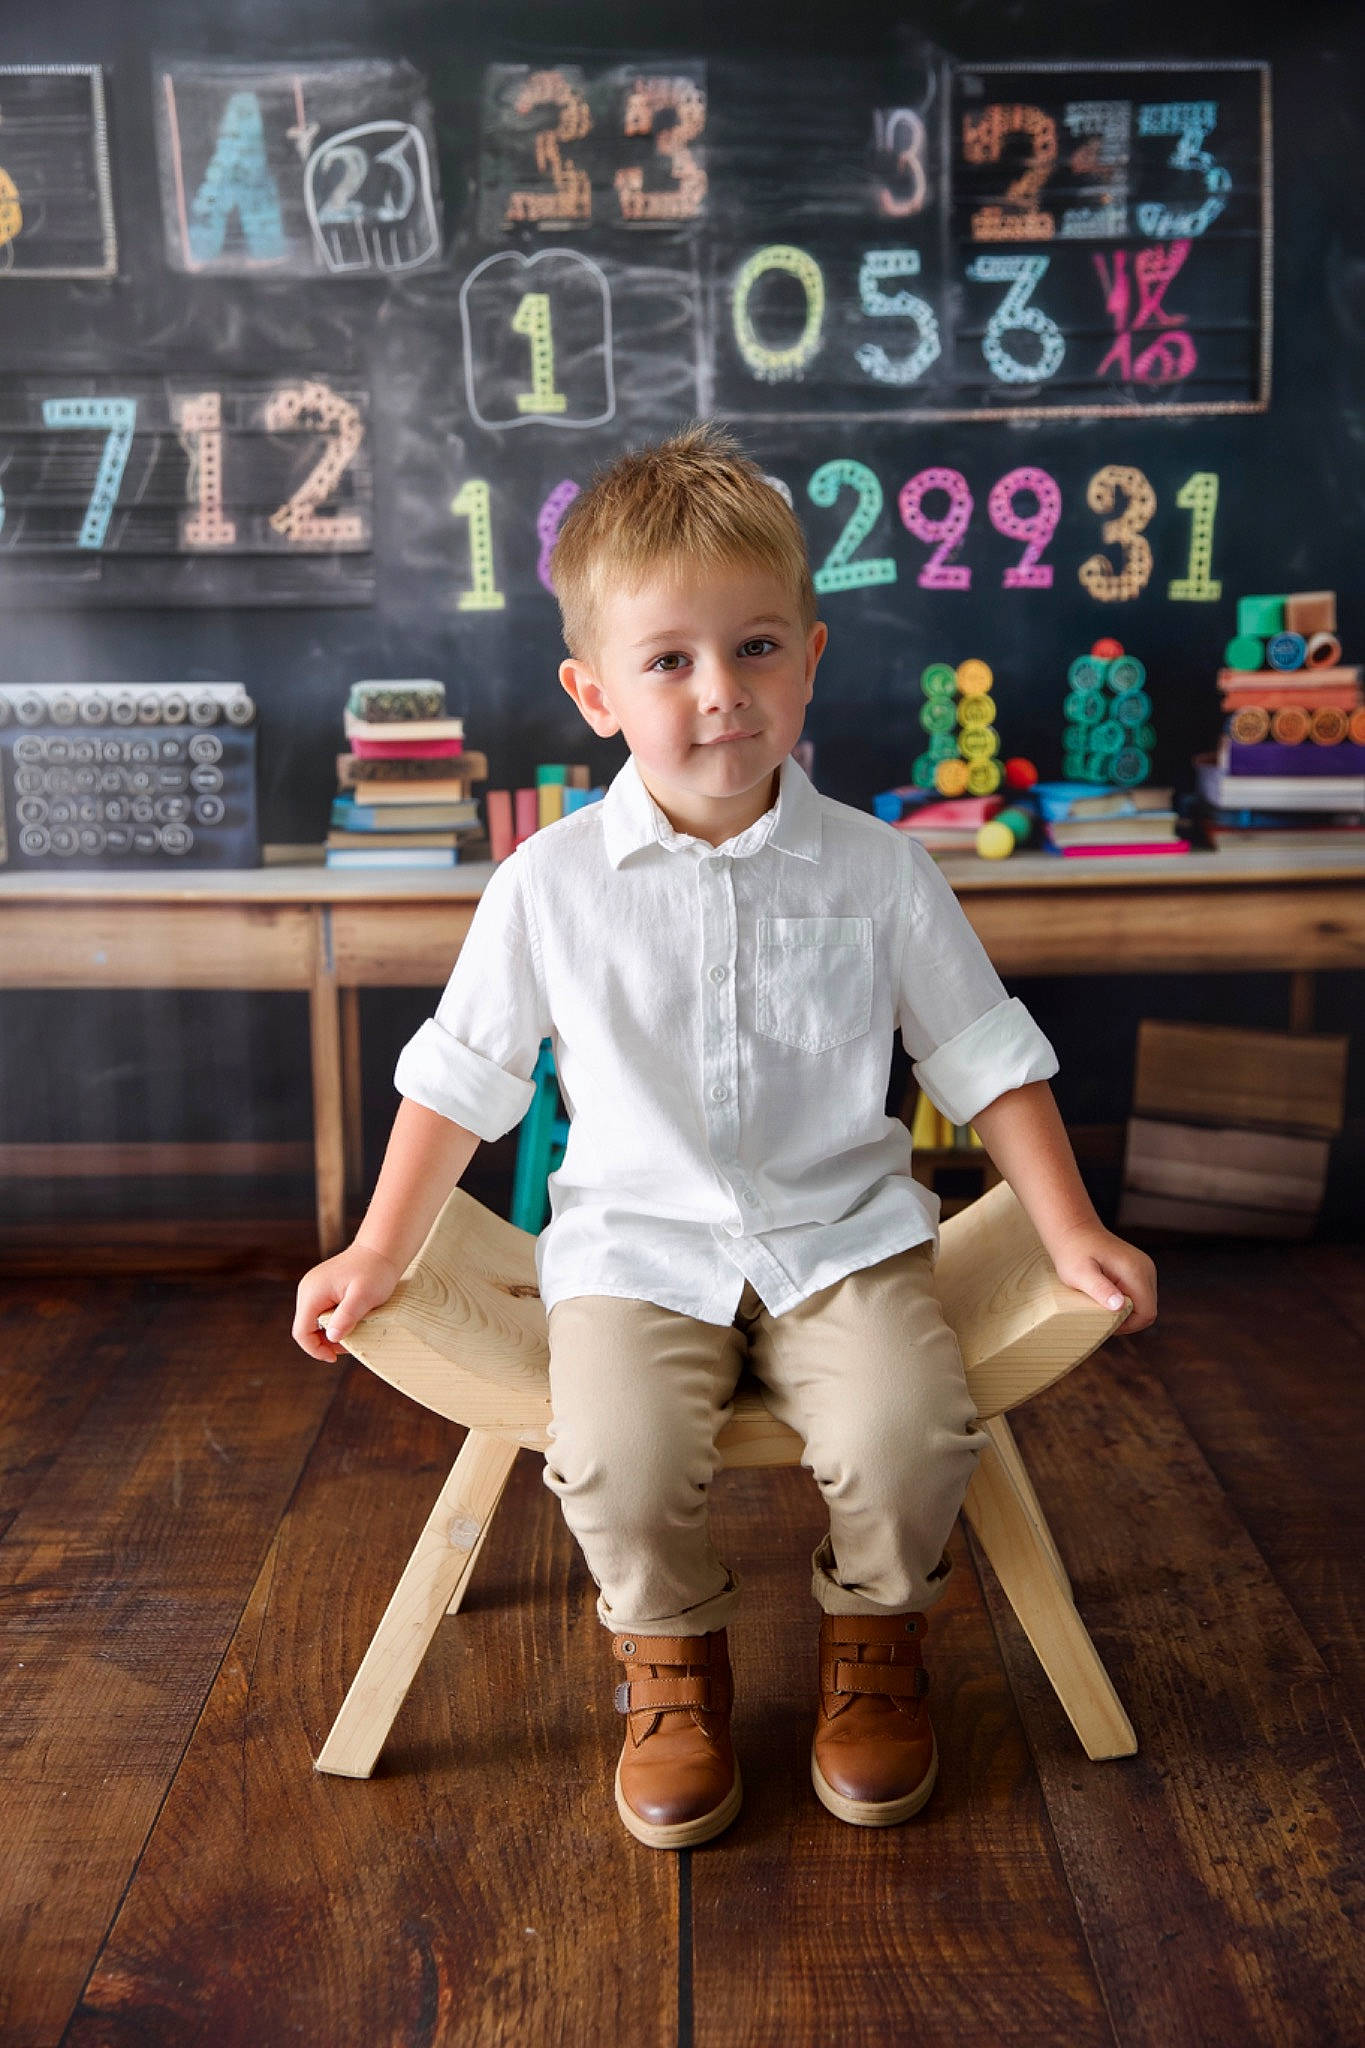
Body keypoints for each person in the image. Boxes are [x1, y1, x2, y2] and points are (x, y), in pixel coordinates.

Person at [293, 421, 1157, 1852]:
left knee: (905, 1429)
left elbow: (985, 1058)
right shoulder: (548, 885)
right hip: (634, 1251)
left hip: (839, 1242)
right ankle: (670, 1663)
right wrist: (377, 1248)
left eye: (756, 650)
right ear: (594, 691)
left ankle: (874, 1643)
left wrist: (1070, 1230)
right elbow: (461, 1078)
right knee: (613, 1455)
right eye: (670, 661)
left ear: (811, 656)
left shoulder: (877, 872)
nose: (720, 695)